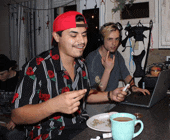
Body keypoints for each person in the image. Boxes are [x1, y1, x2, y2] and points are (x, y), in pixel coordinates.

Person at [11, 11, 127, 140]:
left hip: (80, 127)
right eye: (74, 35)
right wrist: (54, 105)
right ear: (56, 36)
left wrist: (110, 95)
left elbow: (85, 94)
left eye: (84, 35)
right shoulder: (37, 66)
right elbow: (17, 115)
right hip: (49, 134)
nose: (81, 41)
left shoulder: (81, 63)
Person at [85, 22, 150, 116]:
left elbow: (126, 75)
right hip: (97, 107)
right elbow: (100, 88)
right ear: (102, 40)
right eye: (110, 39)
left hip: (113, 104)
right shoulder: (92, 59)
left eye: (117, 39)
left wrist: (133, 87)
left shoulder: (117, 56)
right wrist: (107, 69)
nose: (114, 43)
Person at [0, 54, 25, 140]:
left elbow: (27, 105)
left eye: (2, 74)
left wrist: (15, 121)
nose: (0, 77)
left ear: (10, 68)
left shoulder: (21, 79)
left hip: (17, 121)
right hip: (2, 120)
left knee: (13, 136)